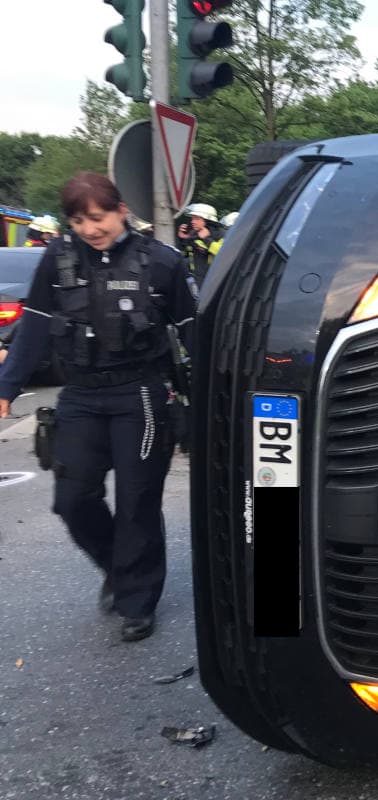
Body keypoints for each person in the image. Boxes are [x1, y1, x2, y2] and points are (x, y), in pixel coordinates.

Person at [0, 173, 196, 642]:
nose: (89, 228)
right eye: (77, 219)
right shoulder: (57, 259)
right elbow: (34, 328)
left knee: (137, 503)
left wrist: (219, 392)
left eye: (97, 216)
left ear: (121, 209)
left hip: (141, 395)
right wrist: (6, 388)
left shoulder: (162, 263)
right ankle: (117, 565)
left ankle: (136, 600)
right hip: (81, 397)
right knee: (72, 500)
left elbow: (195, 332)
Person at [176, 202, 224, 286]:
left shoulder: (220, 234)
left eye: (197, 218)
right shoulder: (193, 235)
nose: (192, 221)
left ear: (207, 220)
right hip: (196, 280)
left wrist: (206, 239)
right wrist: (182, 239)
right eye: (192, 218)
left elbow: (222, 253)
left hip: (214, 280)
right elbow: (184, 256)